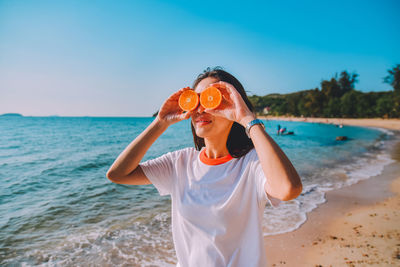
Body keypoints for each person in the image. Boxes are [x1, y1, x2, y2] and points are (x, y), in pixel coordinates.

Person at [106, 67, 303, 267]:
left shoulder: (252, 164)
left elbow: (288, 189)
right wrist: (160, 122)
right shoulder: (179, 163)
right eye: (197, 100)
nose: (201, 108)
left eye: (212, 98)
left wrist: (247, 119)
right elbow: (118, 174)